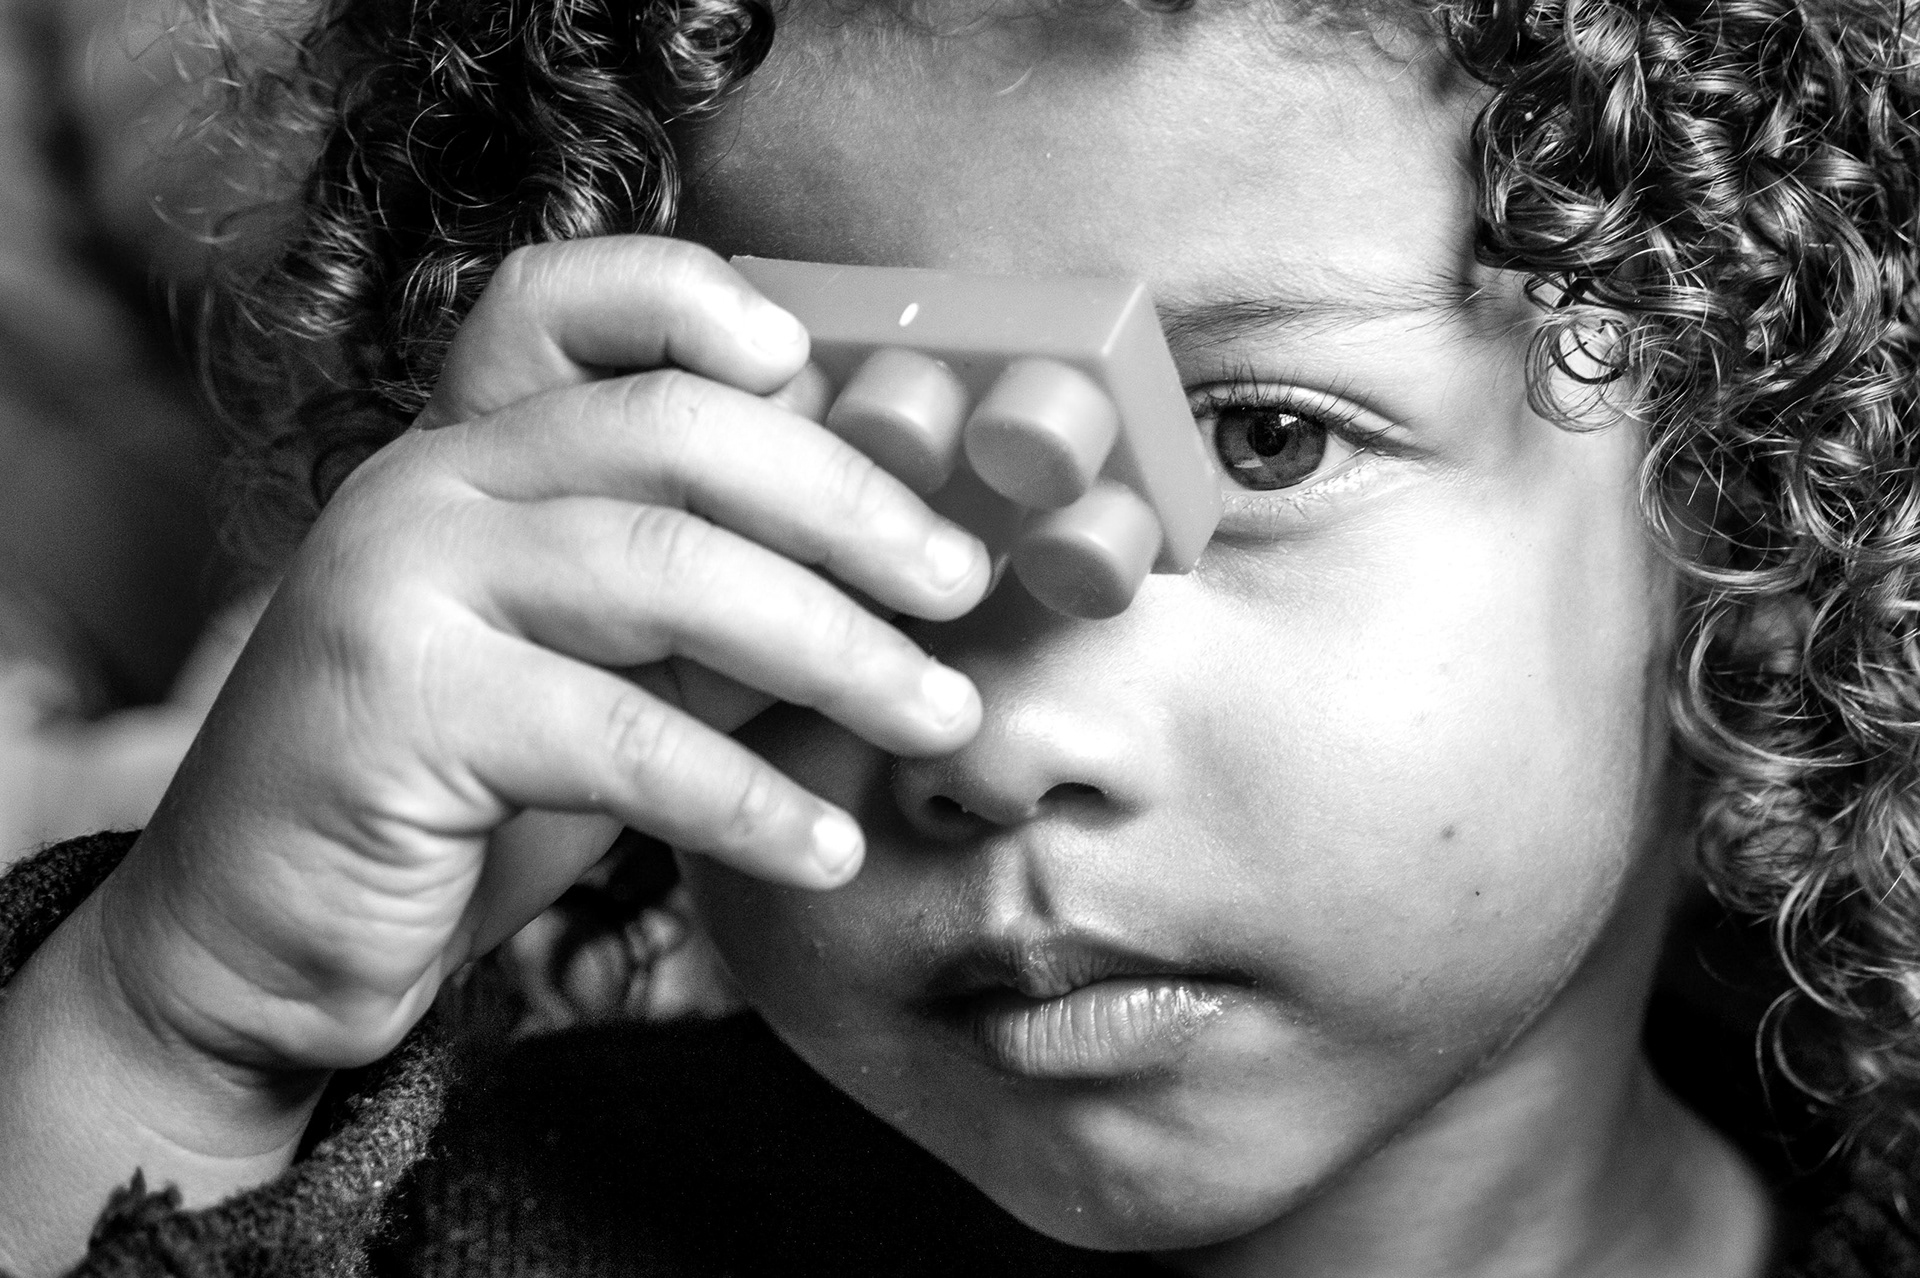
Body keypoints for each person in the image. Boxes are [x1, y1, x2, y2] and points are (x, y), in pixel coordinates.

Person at [0, 0, 1916, 1272]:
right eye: (831, 464)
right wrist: (191, 1028)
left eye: (1262, 438)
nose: (994, 739)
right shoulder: (477, 1220)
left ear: (1752, 486)